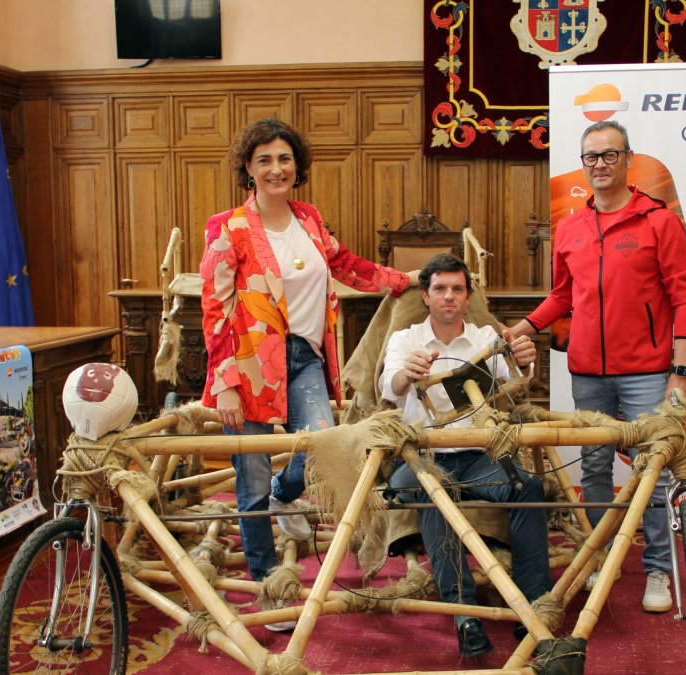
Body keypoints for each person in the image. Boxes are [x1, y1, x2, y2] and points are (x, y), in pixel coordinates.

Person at [200, 118, 413, 631]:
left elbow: (345, 264)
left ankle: (285, 491)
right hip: (247, 363)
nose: (276, 168)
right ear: (248, 169)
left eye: (285, 159)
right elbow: (214, 307)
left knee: (324, 444)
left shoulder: (310, 218)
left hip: (305, 356)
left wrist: (405, 280)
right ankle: (266, 584)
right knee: (248, 482)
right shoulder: (227, 228)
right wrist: (224, 380)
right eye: (265, 160)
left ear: (298, 167)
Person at [507, 120, 686, 614]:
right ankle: (599, 557)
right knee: (593, 468)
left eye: (609, 155)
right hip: (587, 371)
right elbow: (563, 295)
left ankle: (657, 568)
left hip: (647, 371)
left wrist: (679, 369)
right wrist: (524, 327)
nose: (599, 165)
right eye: (590, 157)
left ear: (627, 159)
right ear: (583, 163)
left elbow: (683, 296)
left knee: (648, 471)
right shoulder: (570, 226)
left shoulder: (658, 221)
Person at [381, 254, 550, 658]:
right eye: (440, 288)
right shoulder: (406, 339)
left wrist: (527, 362)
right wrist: (408, 371)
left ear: (467, 295)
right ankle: (465, 614)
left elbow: (518, 384)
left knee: (528, 487)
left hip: (479, 457)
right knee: (433, 491)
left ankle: (533, 605)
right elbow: (391, 387)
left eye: (457, 289)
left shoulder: (485, 338)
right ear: (425, 295)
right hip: (423, 459)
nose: (449, 296)